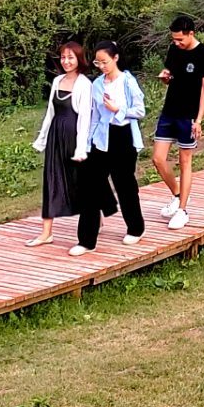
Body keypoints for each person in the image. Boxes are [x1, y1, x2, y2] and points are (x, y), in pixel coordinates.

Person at [75, 40, 145, 255]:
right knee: (89, 185)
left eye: (105, 62)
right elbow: (95, 116)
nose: (102, 66)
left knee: (124, 184)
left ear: (115, 59)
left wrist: (119, 109)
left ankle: (135, 227)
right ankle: (86, 241)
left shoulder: (128, 81)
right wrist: (86, 144)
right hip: (101, 138)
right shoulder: (97, 84)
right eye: (98, 62)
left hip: (123, 136)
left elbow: (140, 111)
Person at [28, 39, 93, 248]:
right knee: (52, 179)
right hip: (56, 136)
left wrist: (81, 147)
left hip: (73, 137)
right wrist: (42, 139)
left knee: (80, 182)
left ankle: (94, 217)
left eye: (70, 57)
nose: (66, 61)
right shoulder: (57, 81)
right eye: (63, 57)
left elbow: (85, 118)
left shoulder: (85, 84)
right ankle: (46, 232)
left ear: (78, 59)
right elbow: (50, 113)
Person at [153, 15, 204, 231]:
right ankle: (178, 196)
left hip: (188, 115)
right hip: (169, 111)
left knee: (185, 161)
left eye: (180, 39)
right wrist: (165, 76)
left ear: (191, 33)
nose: (177, 43)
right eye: (174, 40)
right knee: (158, 159)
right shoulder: (174, 50)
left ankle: (182, 210)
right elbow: (170, 72)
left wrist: (199, 119)